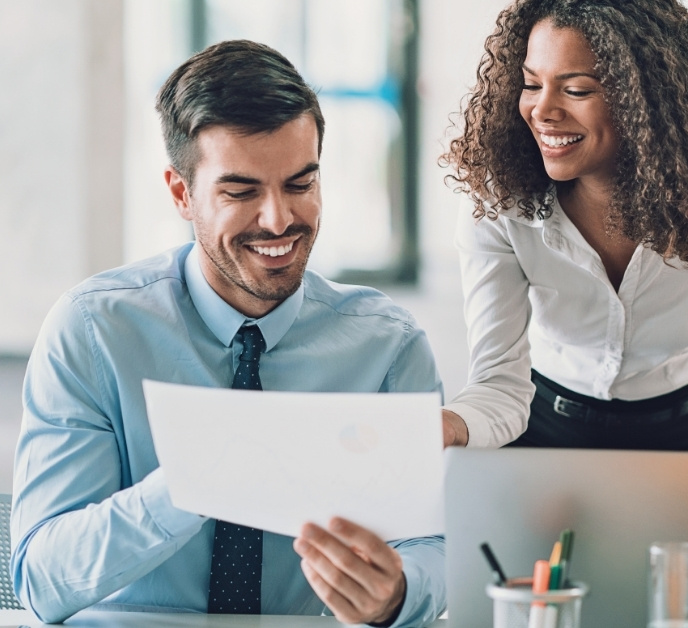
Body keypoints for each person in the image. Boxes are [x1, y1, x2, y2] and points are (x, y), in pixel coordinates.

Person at [11, 40, 445, 627]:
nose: (278, 219)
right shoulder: (92, 331)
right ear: (181, 193)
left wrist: (398, 593)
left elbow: (433, 546)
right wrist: (197, 480)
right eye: (241, 192)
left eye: (300, 184)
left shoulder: (387, 347)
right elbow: (41, 580)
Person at [439, 0, 688, 450]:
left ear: (647, 98)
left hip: (680, 432)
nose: (542, 110)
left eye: (576, 90)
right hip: (543, 422)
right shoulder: (500, 203)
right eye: (532, 85)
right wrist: (447, 426)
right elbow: (498, 387)